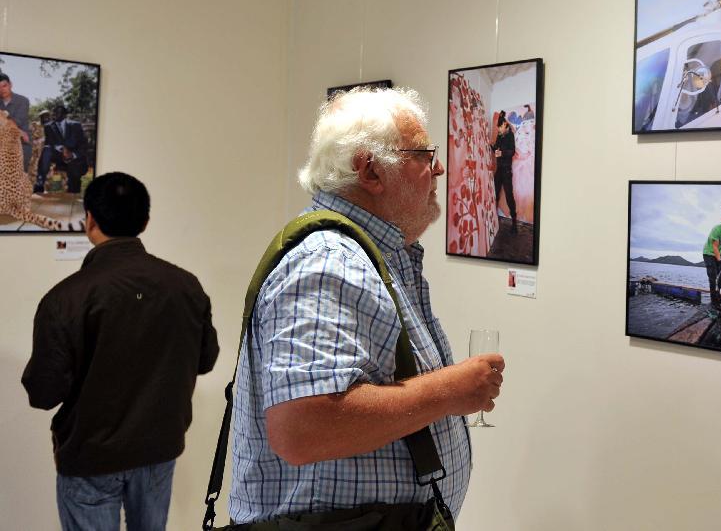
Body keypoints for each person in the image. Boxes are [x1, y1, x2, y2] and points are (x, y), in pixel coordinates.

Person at [229, 88, 504, 525]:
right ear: (371, 170)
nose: (439, 168)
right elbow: (302, 429)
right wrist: (449, 391)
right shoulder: (330, 261)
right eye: (424, 155)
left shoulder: (366, 254)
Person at [21, 172, 219, 531]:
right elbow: (206, 360)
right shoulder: (185, 286)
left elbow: (43, 393)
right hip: (159, 447)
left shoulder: (64, 299)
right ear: (145, 221)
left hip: (90, 454)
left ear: (89, 221)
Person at [35, 104, 89, 193]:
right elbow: (49, 142)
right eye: (54, 112)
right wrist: (62, 148)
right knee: (47, 149)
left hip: (73, 156)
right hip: (58, 155)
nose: (54, 114)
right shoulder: (48, 126)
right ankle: (39, 182)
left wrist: (73, 154)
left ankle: (73, 192)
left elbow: (83, 144)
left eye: (58, 112)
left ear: (64, 115)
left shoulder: (75, 125)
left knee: (74, 179)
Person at [491, 110, 517, 233]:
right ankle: (493, 220)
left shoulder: (510, 135)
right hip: (499, 169)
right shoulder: (499, 135)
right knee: (495, 194)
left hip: (506, 171)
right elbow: (497, 148)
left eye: (499, 128)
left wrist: (502, 153)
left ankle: (514, 223)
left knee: (509, 196)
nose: (498, 130)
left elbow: (512, 151)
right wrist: (493, 148)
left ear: (504, 125)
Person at [0, 72, 32, 171]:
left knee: (18, 174)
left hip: (20, 144)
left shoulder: (23, 101)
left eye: (4, 86)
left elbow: (16, 123)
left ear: (10, 84)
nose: (2, 89)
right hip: (2, 143)